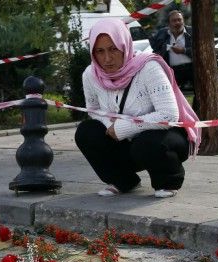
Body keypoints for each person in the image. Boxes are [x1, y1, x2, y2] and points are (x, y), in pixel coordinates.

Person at [75, 18, 200, 199]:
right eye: (100, 51)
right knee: (86, 132)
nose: (107, 59)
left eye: (113, 49)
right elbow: (94, 110)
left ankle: (168, 180)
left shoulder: (149, 67)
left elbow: (169, 115)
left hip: (164, 136)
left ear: (124, 45)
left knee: (146, 143)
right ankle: (122, 180)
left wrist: (123, 128)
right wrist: (111, 126)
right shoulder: (90, 74)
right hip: (124, 142)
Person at [149, 10, 194, 90]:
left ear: (183, 21)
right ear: (169, 23)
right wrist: (166, 48)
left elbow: (200, 51)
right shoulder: (163, 34)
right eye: (174, 20)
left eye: (179, 20)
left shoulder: (191, 32)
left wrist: (183, 51)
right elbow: (156, 49)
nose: (177, 23)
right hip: (172, 71)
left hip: (191, 70)